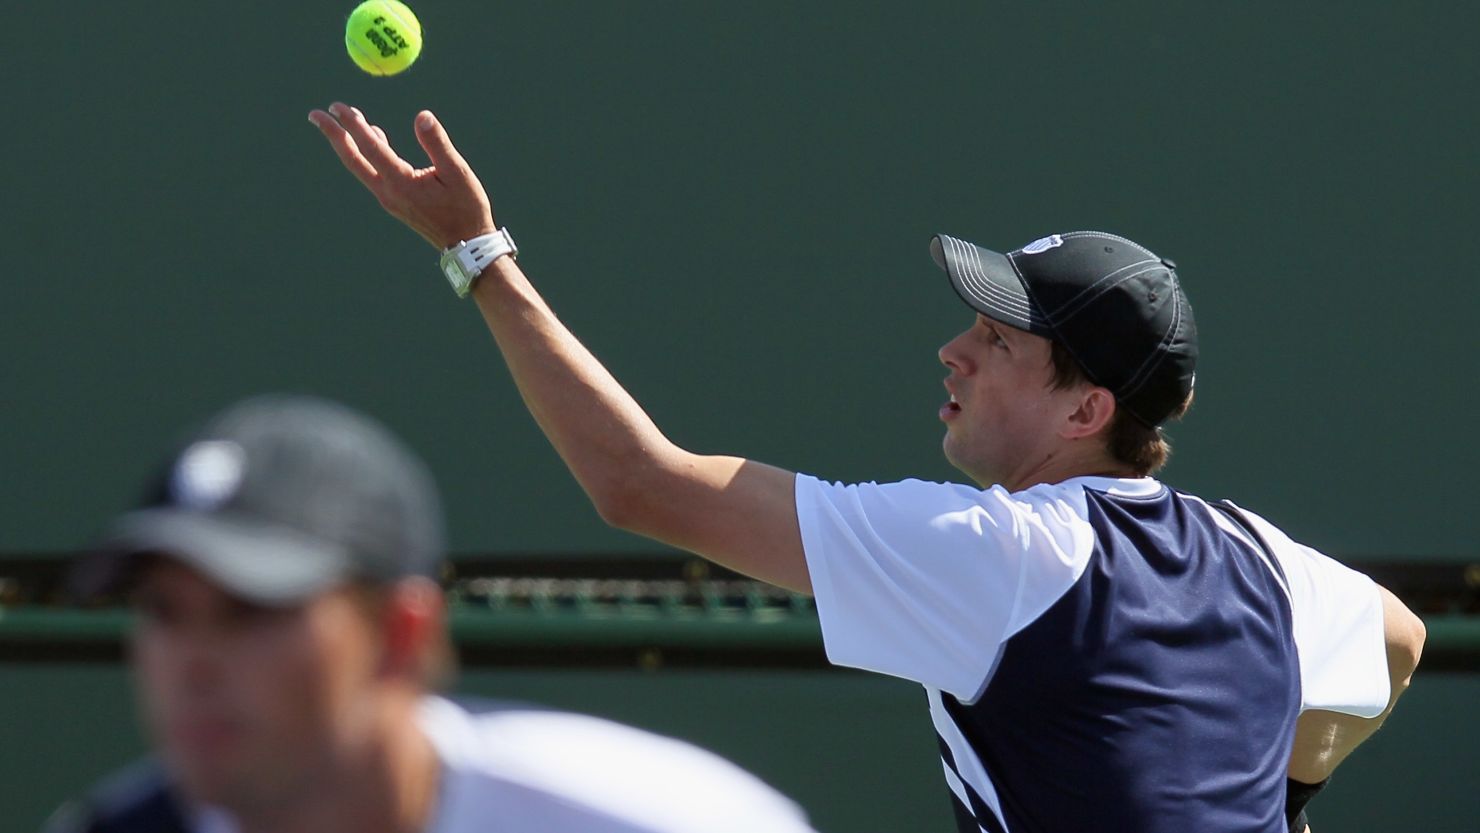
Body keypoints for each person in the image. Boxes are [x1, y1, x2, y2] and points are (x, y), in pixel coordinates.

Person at [306, 102, 1427, 833]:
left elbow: (638, 481)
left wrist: (478, 255)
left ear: (1087, 407)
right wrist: (1288, 788)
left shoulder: (1006, 555)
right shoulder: (1261, 560)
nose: (954, 348)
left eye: (999, 342)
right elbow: (1397, 633)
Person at [47, 394, 819, 833]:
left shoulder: (664, 820)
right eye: (163, 610)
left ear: (400, 633)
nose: (194, 662)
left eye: (253, 610)